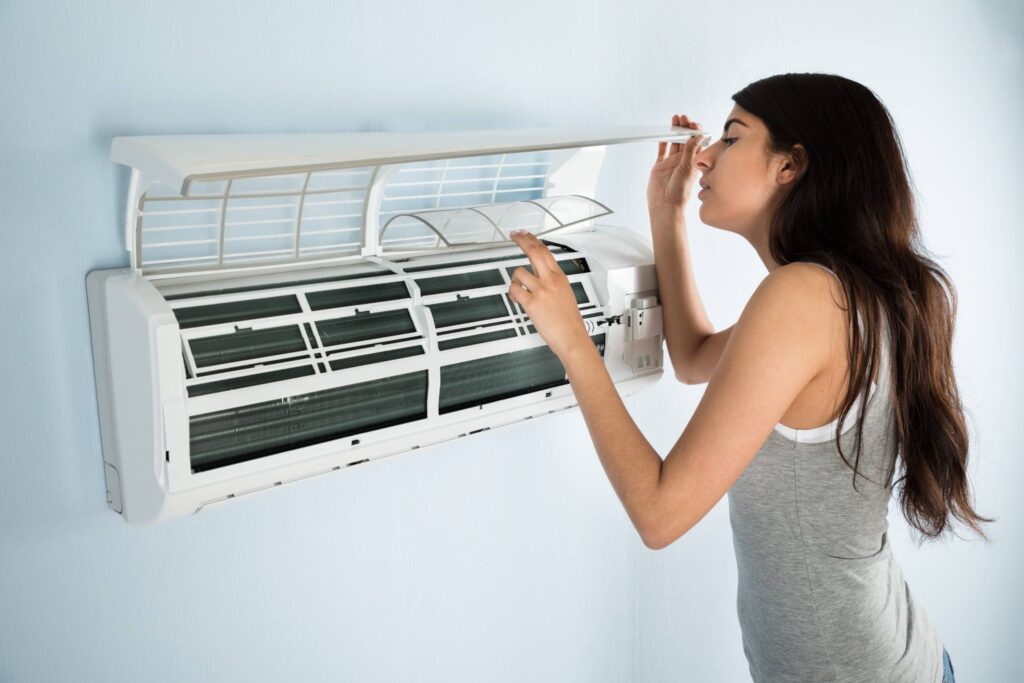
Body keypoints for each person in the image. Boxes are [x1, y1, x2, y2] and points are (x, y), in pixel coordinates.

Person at [506, 72, 990, 682]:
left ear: (790, 166)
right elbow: (695, 357)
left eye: (731, 138)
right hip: (901, 657)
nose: (703, 154)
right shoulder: (854, 291)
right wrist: (667, 213)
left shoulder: (804, 297)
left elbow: (659, 513)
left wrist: (573, 343)